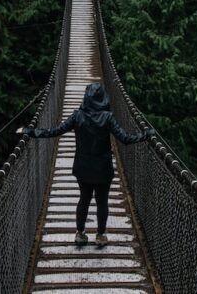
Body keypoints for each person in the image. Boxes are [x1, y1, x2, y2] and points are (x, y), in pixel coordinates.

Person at [16, 82, 155, 247]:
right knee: (102, 201)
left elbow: (55, 131)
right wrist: (145, 135)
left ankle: (80, 233)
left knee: (84, 199)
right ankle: (100, 235)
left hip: (83, 167)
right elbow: (125, 139)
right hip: (103, 168)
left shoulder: (77, 116)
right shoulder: (108, 117)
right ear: (103, 98)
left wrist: (30, 131)